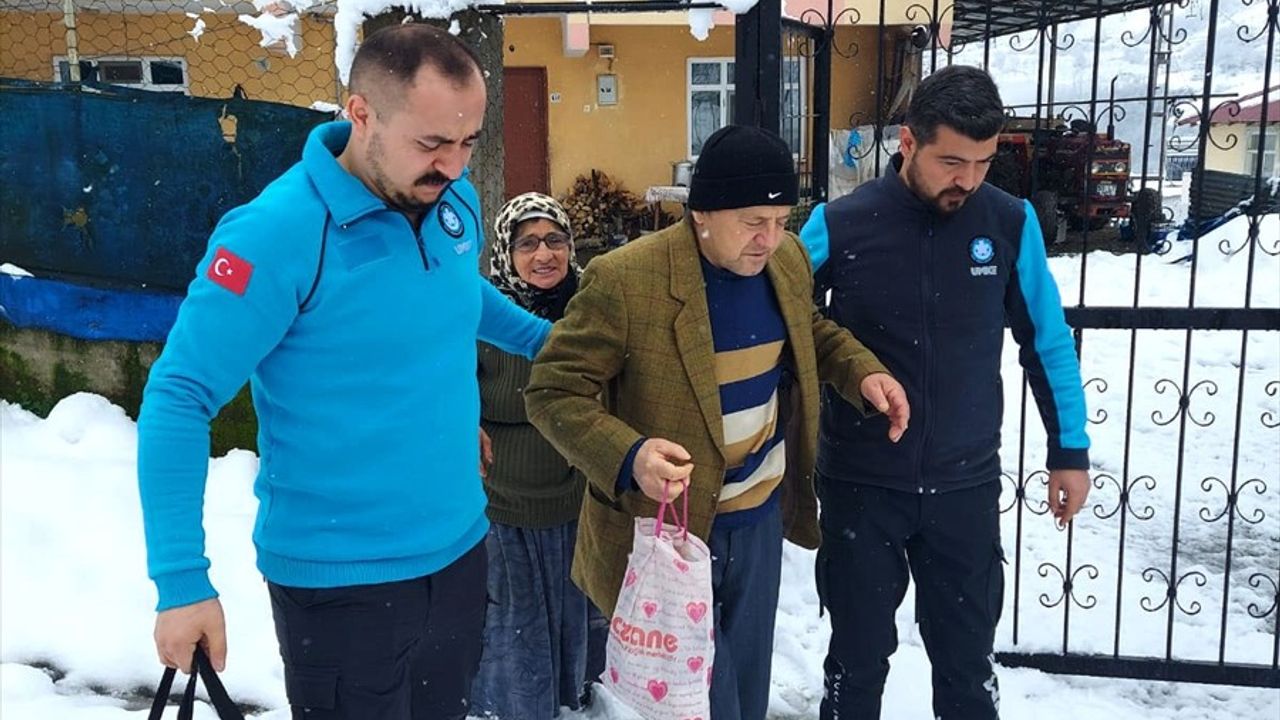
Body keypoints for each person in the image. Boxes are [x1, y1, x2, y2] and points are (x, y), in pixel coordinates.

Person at [137, 23, 552, 720]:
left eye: (468, 142)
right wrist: (181, 582)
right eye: (431, 143)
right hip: (340, 585)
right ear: (361, 114)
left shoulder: (450, 201)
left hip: (458, 552)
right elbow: (179, 397)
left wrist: (550, 342)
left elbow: (452, 291)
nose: (453, 166)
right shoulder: (275, 233)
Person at [524, 124, 910, 720]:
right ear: (702, 212)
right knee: (702, 700)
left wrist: (860, 372)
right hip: (670, 532)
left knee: (745, 690)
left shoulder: (784, 261)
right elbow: (552, 391)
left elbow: (808, 331)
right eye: (754, 221)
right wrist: (630, 456)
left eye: (781, 220)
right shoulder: (627, 280)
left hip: (756, 521)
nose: (770, 238)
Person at [800, 64, 1092, 720]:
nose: (967, 178)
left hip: (963, 487)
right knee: (858, 659)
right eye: (951, 161)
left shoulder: (1009, 223)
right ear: (909, 144)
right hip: (861, 484)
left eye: (983, 162)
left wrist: (1069, 448)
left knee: (966, 666)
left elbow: (1047, 340)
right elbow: (783, 318)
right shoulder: (840, 224)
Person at [470, 192, 608, 719]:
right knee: (515, 621)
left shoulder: (592, 307)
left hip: (578, 497)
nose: (543, 254)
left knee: (577, 614)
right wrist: (468, 419)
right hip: (503, 501)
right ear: (507, 251)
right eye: (527, 243)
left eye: (555, 239)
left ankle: (577, 696)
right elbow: (451, 382)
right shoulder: (483, 313)